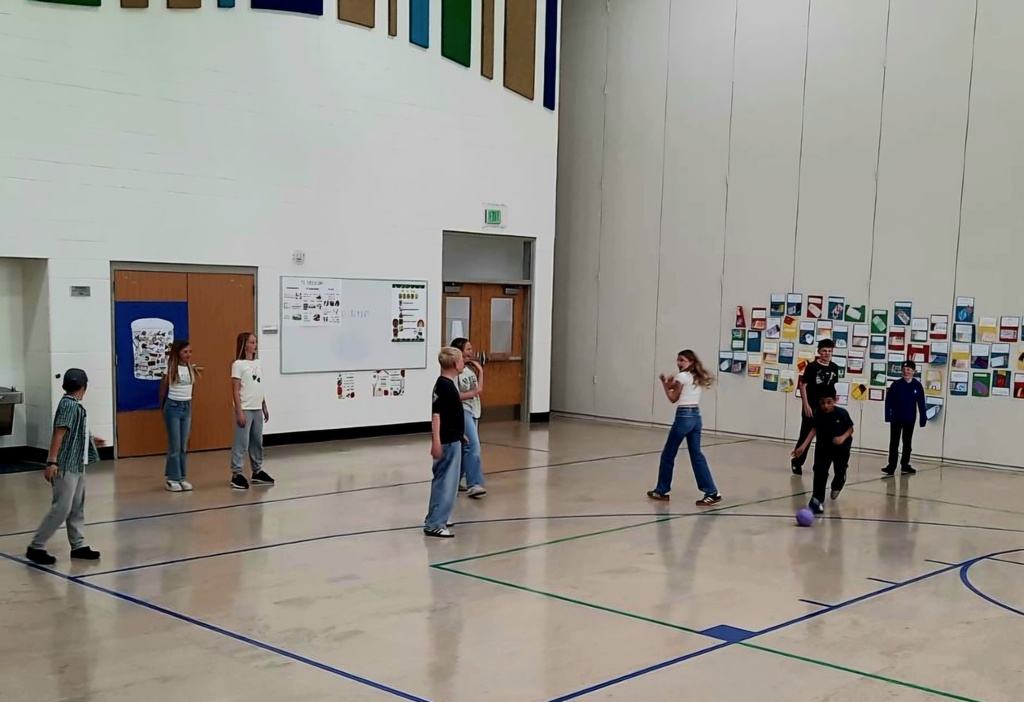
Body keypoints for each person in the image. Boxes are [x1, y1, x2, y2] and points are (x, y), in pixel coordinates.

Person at [24, 369, 105, 565]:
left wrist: (90, 440)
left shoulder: (75, 405)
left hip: (77, 463)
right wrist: (52, 461)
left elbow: (73, 433)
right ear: (84, 386)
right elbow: (59, 433)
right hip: (65, 464)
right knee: (62, 507)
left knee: (76, 506)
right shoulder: (69, 405)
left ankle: (78, 545)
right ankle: (36, 546)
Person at [647, 350, 722, 506]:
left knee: (669, 453)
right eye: (678, 360)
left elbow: (673, 398)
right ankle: (712, 491)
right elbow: (676, 388)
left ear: (691, 362)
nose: (679, 363)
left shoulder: (681, 377)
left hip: (684, 416)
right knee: (696, 455)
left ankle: (661, 490)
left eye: (682, 360)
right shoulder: (696, 377)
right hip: (696, 416)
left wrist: (664, 384)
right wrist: (669, 384)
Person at [423, 347, 466, 538]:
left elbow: (451, 414)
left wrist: (460, 433)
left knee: (444, 481)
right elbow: (437, 416)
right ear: (456, 364)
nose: (464, 362)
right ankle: (435, 523)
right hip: (447, 442)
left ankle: (438, 516)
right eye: (462, 360)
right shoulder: (444, 386)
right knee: (447, 482)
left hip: (453, 437)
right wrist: (436, 441)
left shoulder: (448, 384)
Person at [791, 385, 854, 515]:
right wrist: (802, 446)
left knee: (839, 469)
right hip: (823, 447)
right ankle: (817, 500)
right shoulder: (818, 413)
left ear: (835, 400)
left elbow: (850, 429)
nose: (825, 406)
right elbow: (814, 429)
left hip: (841, 448)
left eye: (829, 402)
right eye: (822, 403)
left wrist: (842, 438)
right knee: (820, 470)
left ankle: (839, 481)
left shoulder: (842, 413)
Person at [230, 332, 274, 490]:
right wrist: (239, 411)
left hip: (257, 407)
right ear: (245, 344)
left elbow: (259, 386)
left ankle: (257, 470)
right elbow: (235, 389)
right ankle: (236, 473)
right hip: (245, 408)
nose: (255, 345)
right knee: (242, 442)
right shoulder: (238, 364)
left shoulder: (258, 363)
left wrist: (264, 405)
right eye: (252, 342)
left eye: (256, 342)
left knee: (257, 441)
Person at [791, 339, 840, 475]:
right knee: (806, 435)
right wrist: (806, 405)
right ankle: (797, 461)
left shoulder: (834, 367)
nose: (827, 353)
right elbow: (803, 386)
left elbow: (834, 387)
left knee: (824, 438)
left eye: (829, 351)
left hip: (827, 407)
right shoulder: (812, 367)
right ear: (819, 351)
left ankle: (820, 466)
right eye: (824, 350)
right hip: (812, 405)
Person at [160, 339, 199, 492]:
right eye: (185, 352)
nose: (188, 354)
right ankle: (172, 478)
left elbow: (192, 388)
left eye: (190, 351)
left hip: (186, 407)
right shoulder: (170, 368)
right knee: (175, 445)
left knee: (183, 446)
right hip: (173, 407)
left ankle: (182, 477)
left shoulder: (190, 368)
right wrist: (162, 408)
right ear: (178, 353)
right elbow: (163, 390)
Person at [451, 337, 486, 498]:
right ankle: (474, 484)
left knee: (465, 446)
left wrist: (481, 372)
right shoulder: (455, 371)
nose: (471, 352)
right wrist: (473, 393)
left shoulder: (469, 369)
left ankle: (455, 481)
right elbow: (454, 395)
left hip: (474, 410)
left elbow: (479, 389)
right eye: (468, 349)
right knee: (473, 446)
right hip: (462, 411)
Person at [883, 360, 926, 476]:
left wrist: (923, 417)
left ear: (913, 371)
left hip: (909, 418)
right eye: (904, 369)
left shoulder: (917, 385)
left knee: (907, 443)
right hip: (896, 418)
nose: (906, 372)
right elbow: (889, 402)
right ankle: (891, 465)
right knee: (894, 443)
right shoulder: (896, 385)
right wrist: (888, 416)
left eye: (908, 370)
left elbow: (921, 402)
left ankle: (905, 465)